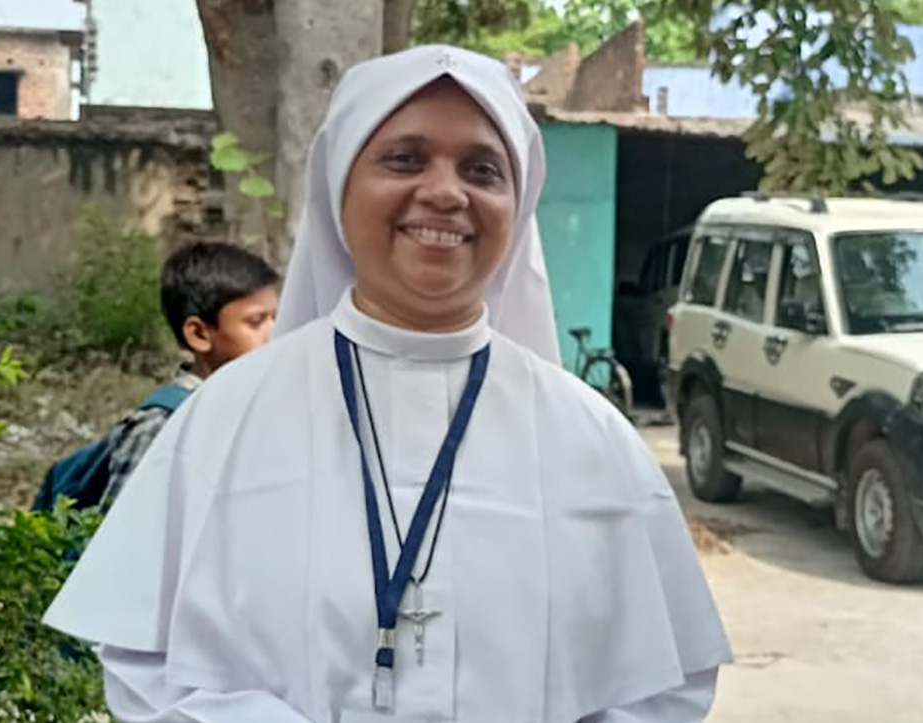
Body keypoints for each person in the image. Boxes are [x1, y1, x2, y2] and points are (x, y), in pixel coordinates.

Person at [43, 45, 731, 723]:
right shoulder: (228, 414)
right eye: (404, 158)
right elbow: (142, 661)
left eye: (482, 168)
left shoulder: (591, 435)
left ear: (517, 208)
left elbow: (667, 685)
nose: (444, 191)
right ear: (340, 190)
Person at [99, 241, 280, 508]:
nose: (275, 333)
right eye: (256, 322)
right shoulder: (162, 429)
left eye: (276, 317)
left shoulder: (261, 414)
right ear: (198, 334)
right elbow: (119, 538)